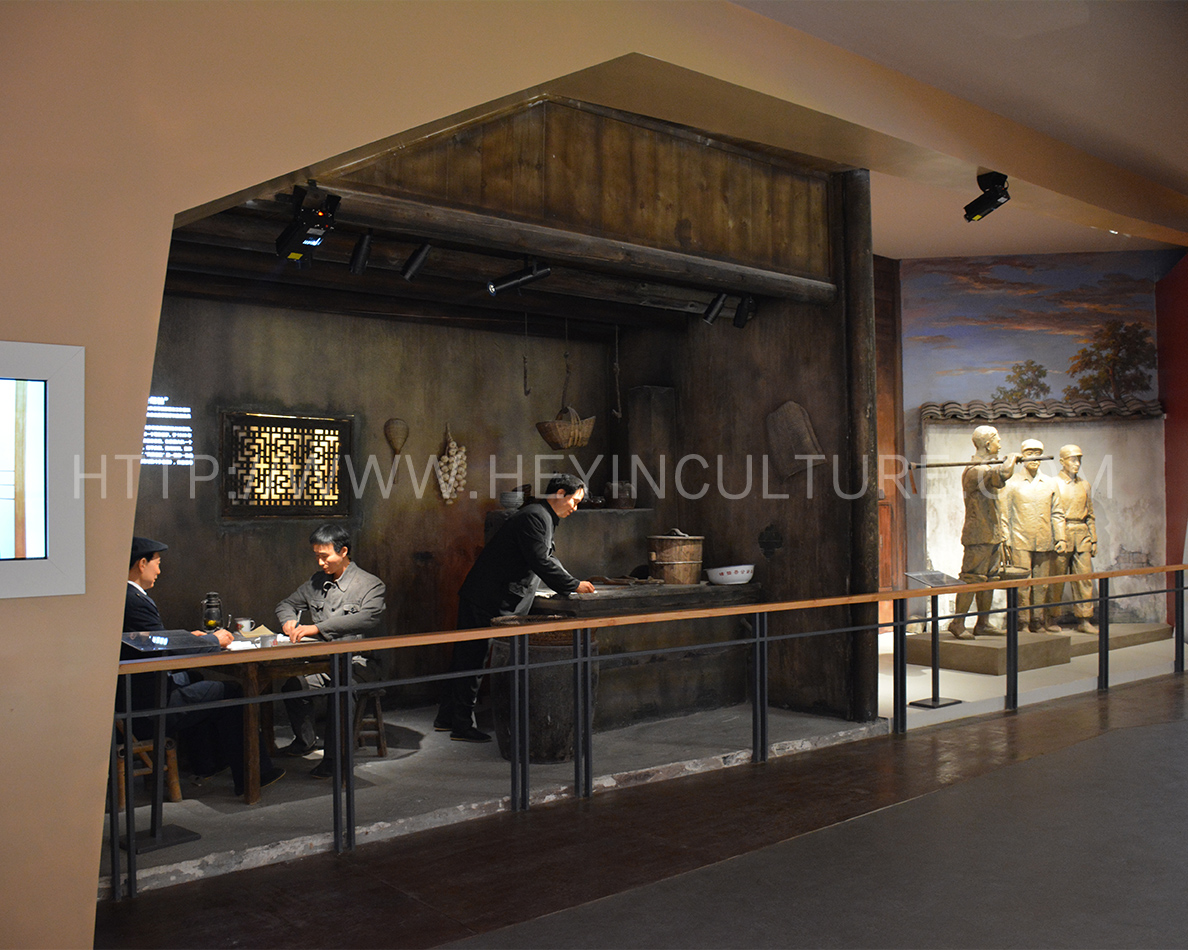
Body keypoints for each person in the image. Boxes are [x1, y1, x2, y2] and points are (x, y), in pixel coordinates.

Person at [435, 473, 597, 742]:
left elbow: (546, 557)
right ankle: (460, 726)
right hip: (487, 598)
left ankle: (447, 718)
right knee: (472, 660)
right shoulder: (535, 516)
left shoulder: (542, 516)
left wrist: (569, 581)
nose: (575, 508)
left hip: (488, 595)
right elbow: (541, 560)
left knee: (467, 658)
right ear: (560, 493)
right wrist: (573, 584)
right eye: (575, 501)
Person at [122, 536, 284, 796]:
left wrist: (189, 637)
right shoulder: (134, 600)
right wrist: (213, 641)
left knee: (195, 677)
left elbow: (153, 638)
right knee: (233, 693)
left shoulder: (125, 596)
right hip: (147, 705)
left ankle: (207, 763)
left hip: (135, 694)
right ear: (142, 563)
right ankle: (255, 776)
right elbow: (159, 644)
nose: (159, 571)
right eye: (157, 563)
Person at [275, 523, 386, 778]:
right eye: (317, 556)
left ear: (343, 551)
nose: (320, 562)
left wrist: (317, 628)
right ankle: (305, 741)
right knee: (294, 685)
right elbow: (286, 604)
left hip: (359, 664)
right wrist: (288, 620)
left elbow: (367, 618)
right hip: (323, 662)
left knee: (341, 690)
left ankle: (335, 761)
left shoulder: (370, 584)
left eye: (325, 556)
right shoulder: (317, 581)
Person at [948, 426, 1019, 640]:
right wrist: (1012, 458)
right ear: (988, 444)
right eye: (998, 440)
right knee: (971, 579)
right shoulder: (976, 470)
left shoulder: (985, 468)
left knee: (990, 579)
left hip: (991, 534)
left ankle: (983, 623)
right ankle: (957, 623)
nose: (1000, 444)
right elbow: (1002, 475)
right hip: (978, 535)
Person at [999, 439, 1068, 633]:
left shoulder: (1050, 483)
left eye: (1038, 454)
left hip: (1044, 540)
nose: (1035, 458)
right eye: (1030, 453)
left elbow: (1057, 513)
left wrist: (1061, 538)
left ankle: (1037, 620)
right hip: (1020, 540)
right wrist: (1006, 538)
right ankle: (1022, 621)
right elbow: (1004, 513)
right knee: (1022, 585)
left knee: (1041, 584)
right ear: (1022, 456)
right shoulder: (1011, 483)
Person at [1048, 444, 1098, 633]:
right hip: (1062, 534)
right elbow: (1051, 513)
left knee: (1084, 579)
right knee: (1057, 580)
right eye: (1073, 459)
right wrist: (1058, 538)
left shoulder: (1085, 485)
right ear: (1062, 461)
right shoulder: (1054, 483)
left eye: (1079, 459)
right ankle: (1051, 618)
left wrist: (1094, 539)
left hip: (1082, 535)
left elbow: (1090, 514)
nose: (1077, 463)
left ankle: (1084, 619)